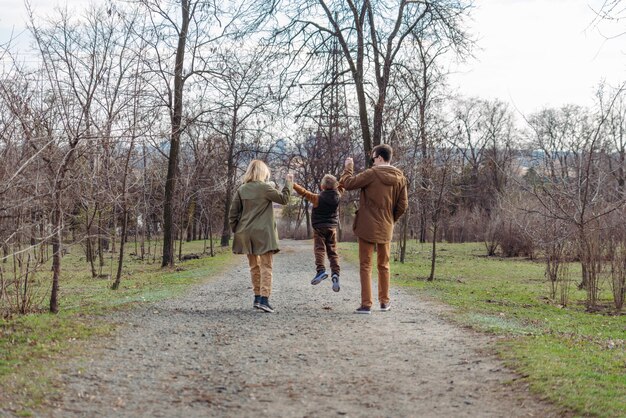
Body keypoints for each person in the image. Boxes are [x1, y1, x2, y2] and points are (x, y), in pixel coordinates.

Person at [339, 144, 408, 314]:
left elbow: (347, 183)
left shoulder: (372, 174)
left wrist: (348, 168)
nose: (372, 161)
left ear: (379, 158)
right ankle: (385, 302)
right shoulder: (400, 177)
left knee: (365, 265)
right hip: (386, 226)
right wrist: (391, 219)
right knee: (384, 265)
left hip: (367, 226)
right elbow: (403, 205)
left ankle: (366, 304)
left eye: (373, 158)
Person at [229, 160, 293, 313]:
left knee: (254, 266)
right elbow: (284, 199)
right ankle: (264, 299)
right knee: (266, 266)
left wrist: (238, 230)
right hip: (264, 234)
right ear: (262, 172)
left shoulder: (242, 189)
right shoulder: (265, 188)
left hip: (246, 234)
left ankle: (257, 298)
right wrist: (289, 183)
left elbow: (233, 214)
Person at [293, 174, 344, 292]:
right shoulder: (338, 195)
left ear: (322, 186)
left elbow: (304, 192)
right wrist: (349, 167)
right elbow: (344, 183)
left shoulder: (317, 198)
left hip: (319, 229)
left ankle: (321, 270)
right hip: (332, 228)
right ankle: (335, 273)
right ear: (335, 185)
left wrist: (293, 184)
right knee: (333, 252)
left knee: (319, 249)